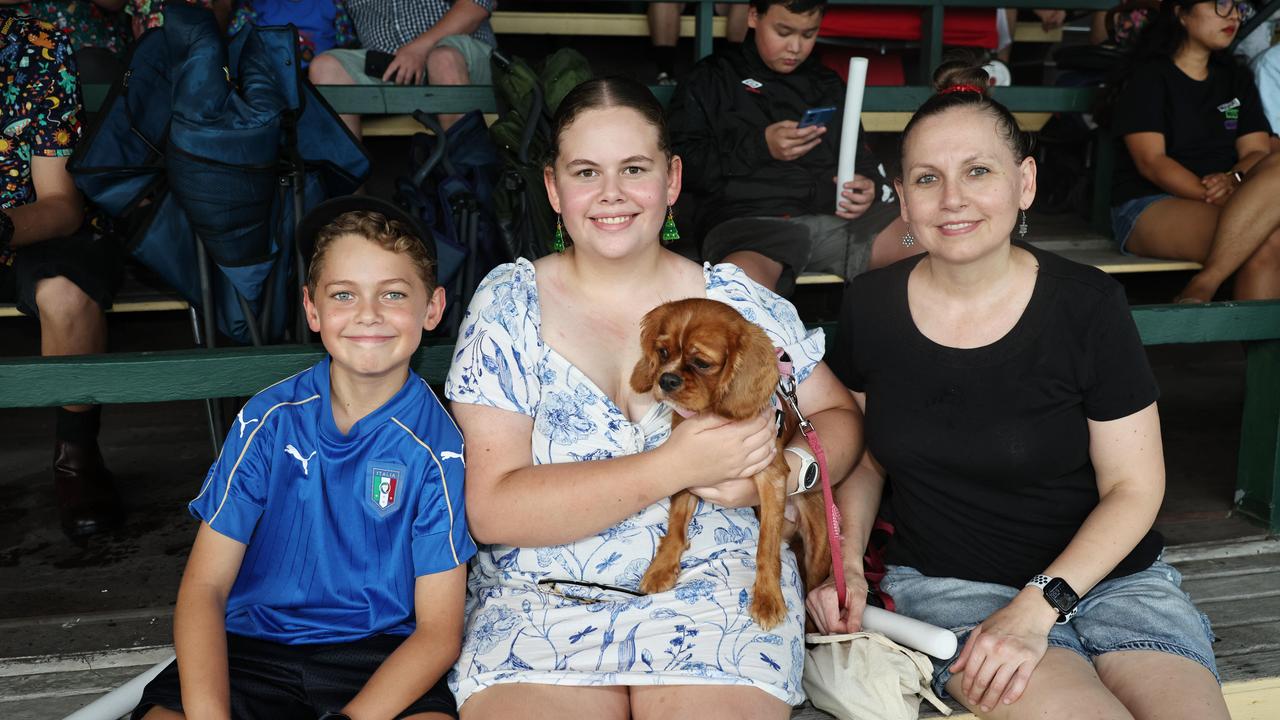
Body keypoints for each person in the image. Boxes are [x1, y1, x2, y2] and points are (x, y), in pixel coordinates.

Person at [807, 61, 1230, 720]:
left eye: (979, 171)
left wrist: (1038, 607)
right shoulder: (872, 307)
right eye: (927, 178)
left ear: (1024, 182)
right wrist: (850, 562)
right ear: (903, 198)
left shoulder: (1089, 306)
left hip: (1117, 582)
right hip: (955, 590)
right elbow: (866, 458)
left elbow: (1135, 488)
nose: (953, 199)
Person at [444, 76, 861, 720]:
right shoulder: (509, 306)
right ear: (554, 189)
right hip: (541, 602)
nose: (611, 194)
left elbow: (837, 416)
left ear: (671, 180)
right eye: (586, 171)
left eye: (634, 169)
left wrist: (790, 468)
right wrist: (674, 467)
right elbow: (493, 510)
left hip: (719, 595)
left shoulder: (733, 300)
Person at [131, 201, 475, 719]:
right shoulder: (268, 420)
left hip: (378, 655)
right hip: (251, 648)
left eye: (394, 294)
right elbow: (205, 588)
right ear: (312, 309)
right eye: (343, 295)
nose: (368, 314)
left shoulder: (438, 446)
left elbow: (437, 634)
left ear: (433, 308)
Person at [667, 0, 918, 297]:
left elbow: (862, 160)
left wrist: (868, 187)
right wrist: (761, 146)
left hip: (840, 225)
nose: (795, 47)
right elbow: (683, 167)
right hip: (751, 230)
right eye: (783, 32)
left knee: (921, 241)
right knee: (740, 293)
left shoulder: (825, 83)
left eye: (808, 34)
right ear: (753, 16)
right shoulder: (711, 79)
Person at [1, 8, 125, 540]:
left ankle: (76, 459)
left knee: (67, 295)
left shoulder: (35, 44)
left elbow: (60, 204)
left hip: (28, 227)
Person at [1110, 0, 1280, 302]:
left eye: (1239, 6)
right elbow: (1152, 162)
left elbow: (1256, 151)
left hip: (1230, 193)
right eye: (1221, 4)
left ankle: (1204, 283)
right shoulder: (1150, 76)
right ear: (1181, 13)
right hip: (1151, 202)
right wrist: (1221, 193)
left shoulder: (1235, 77)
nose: (1234, 16)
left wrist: (1234, 180)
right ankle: (1206, 287)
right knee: (1267, 239)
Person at [307, 0, 496, 135]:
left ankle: (466, 184)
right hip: (388, 68)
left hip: (460, 58)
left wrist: (421, 48)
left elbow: (476, 6)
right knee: (325, 68)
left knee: (443, 59)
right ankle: (350, 190)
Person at [228, 0, 357, 67]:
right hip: (270, 77)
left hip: (318, 79)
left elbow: (347, 45)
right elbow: (235, 42)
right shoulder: (255, 4)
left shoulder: (331, 3)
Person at [647, 2, 748, 85]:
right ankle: (665, 73)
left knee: (743, 2)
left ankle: (736, 72)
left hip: (719, 4)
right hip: (680, 5)